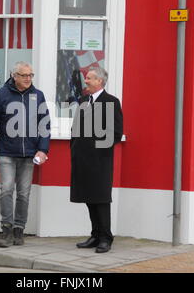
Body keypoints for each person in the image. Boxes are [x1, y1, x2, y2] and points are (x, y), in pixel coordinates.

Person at [0, 62, 50, 248]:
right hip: (6, 153)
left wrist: (43, 150)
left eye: (31, 75)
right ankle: (6, 230)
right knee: (6, 190)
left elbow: (44, 125)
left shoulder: (38, 96)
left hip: (29, 154)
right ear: (15, 76)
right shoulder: (2, 94)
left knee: (24, 194)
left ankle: (19, 230)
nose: (28, 78)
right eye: (24, 75)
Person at [70, 67, 123, 253]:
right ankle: (95, 235)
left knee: (100, 199)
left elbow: (116, 133)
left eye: (89, 78)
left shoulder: (111, 102)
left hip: (100, 161)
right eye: (86, 78)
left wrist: (98, 151)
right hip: (82, 159)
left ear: (99, 81)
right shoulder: (84, 101)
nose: (86, 81)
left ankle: (106, 238)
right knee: (89, 198)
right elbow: (75, 128)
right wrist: (74, 148)